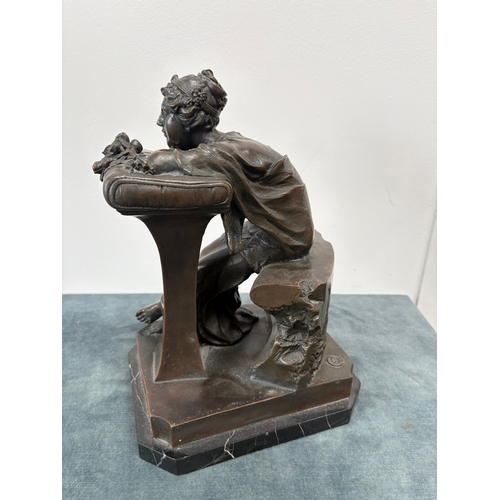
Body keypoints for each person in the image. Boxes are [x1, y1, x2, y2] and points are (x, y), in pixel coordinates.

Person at [135, 69, 314, 346]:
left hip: (284, 237)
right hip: (268, 228)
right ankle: (173, 311)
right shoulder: (222, 147)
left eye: (166, 114)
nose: (160, 121)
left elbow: (162, 162)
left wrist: (132, 154)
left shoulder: (222, 154)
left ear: (191, 119)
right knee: (199, 264)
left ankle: (181, 326)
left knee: (206, 275)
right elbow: (171, 160)